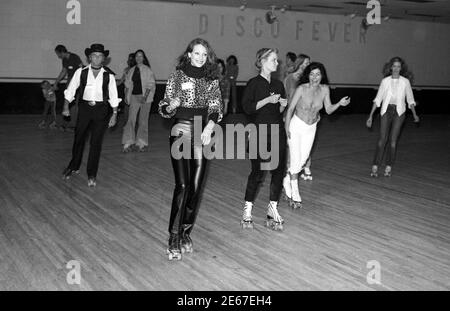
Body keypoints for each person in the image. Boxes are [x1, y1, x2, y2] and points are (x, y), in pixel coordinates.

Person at [158, 38, 222, 260]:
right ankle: (173, 236)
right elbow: (163, 107)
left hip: (201, 130)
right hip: (180, 130)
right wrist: (170, 105)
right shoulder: (177, 76)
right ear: (189, 54)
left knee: (195, 187)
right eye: (197, 54)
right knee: (183, 185)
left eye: (204, 54)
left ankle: (185, 231)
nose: (200, 58)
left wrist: (210, 126)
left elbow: (216, 107)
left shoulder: (211, 79)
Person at [284, 62, 351, 208]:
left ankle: (286, 179)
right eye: (312, 74)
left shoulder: (325, 89)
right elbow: (290, 109)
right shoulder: (301, 89)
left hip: (311, 128)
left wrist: (339, 103)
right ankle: (295, 193)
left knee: (302, 161)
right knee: (295, 159)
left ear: (322, 76)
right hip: (296, 126)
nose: (314, 77)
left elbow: (328, 109)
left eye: (318, 74)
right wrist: (286, 128)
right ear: (308, 75)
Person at [240, 48, 288, 231]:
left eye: (277, 60)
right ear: (262, 61)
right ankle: (247, 210)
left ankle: (272, 208)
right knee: (257, 173)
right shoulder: (253, 83)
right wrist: (268, 100)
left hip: (277, 131)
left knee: (278, 171)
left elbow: (278, 112)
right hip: (259, 131)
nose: (277, 63)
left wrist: (283, 105)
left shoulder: (278, 84)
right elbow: (248, 108)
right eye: (274, 60)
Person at [61, 43, 120, 187]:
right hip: (85, 109)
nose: (97, 58)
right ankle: (73, 166)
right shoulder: (81, 72)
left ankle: (92, 173)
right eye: (94, 55)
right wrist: (65, 106)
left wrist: (114, 114)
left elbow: (113, 95)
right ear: (89, 57)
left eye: (100, 56)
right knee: (79, 138)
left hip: (101, 111)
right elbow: (71, 89)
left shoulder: (108, 75)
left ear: (103, 59)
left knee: (96, 143)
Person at [366, 57, 420, 177]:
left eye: (398, 66)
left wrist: (415, 114)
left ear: (401, 68)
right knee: (382, 140)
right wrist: (370, 116)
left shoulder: (405, 82)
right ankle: (375, 165)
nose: (396, 68)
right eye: (394, 66)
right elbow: (378, 99)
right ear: (390, 67)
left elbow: (410, 99)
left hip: (399, 112)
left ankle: (388, 166)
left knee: (393, 142)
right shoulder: (385, 81)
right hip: (386, 111)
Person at [282, 54, 312, 201]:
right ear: (300, 64)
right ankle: (290, 180)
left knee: (302, 151)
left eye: (309, 64)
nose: (307, 66)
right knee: (291, 149)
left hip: (304, 119)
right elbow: (285, 98)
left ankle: (291, 175)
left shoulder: (308, 80)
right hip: (291, 116)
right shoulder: (290, 78)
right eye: (305, 63)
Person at [122, 50, 156, 152]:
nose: (138, 58)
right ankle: (128, 142)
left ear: (144, 58)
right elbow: (127, 84)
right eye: (137, 56)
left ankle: (141, 142)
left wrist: (145, 97)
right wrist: (126, 96)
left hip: (146, 98)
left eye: (141, 56)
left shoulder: (147, 70)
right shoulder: (131, 70)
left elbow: (150, 84)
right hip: (133, 97)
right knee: (131, 120)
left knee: (143, 120)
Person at [53, 45, 83, 131]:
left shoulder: (74, 57)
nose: (58, 56)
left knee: (74, 104)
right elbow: (64, 71)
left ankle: (72, 125)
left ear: (61, 52)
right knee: (67, 102)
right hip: (70, 81)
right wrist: (56, 82)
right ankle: (65, 123)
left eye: (58, 54)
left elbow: (82, 69)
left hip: (78, 82)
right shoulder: (64, 59)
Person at [117, 53, 136, 125]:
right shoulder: (126, 69)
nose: (128, 61)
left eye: (130, 59)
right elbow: (120, 81)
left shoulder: (138, 69)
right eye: (128, 59)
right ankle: (127, 125)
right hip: (127, 92)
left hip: (135, 93)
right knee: (127, 109)